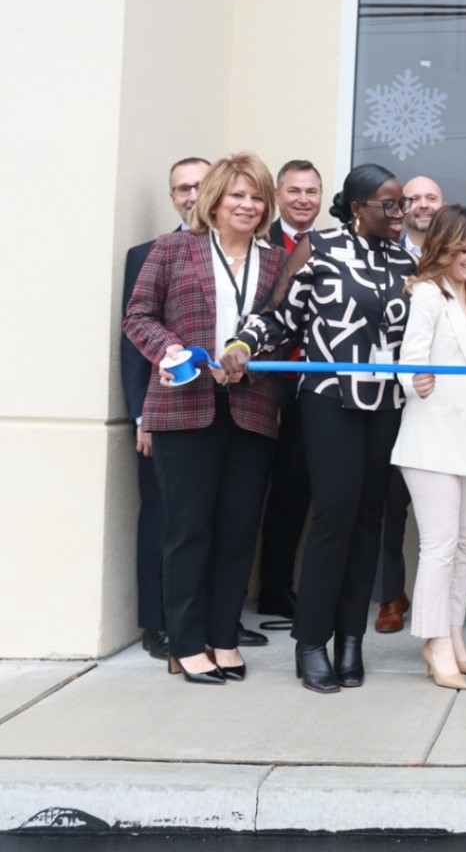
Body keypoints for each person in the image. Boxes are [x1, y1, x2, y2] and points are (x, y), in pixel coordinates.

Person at [222, 163, 417, 694]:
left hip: (386, 403)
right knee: (334, 513)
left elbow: (420, 334)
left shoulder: (407, 259)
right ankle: (311, 642)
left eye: (401, 204)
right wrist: (242, 345)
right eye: (389, 204)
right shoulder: (321, 248)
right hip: (330, 399)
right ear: (357, 208)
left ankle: (350, 639)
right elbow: (279, 315)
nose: (400, 213)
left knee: (368, 521)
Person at [123, 153, 285, 684]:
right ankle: (185, 643)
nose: (248, 204)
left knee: (238, 532)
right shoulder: (173, 248)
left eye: (257, 196)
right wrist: (175, 352)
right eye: (237, 194)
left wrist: (250, 351)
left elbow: (278, 325)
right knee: (188, 530)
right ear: (214, 200)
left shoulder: (277, 261)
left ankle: (223, 637)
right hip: (183, 409)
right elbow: (139, 316)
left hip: (250, 408)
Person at [390, 205, 466, 690]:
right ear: (445, 246)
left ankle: (452, 635)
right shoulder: (427, 293)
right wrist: (417, 381)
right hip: (433, 439)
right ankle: (433, 643)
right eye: (465, 247)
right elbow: (409, 361)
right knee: (438, 546)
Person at [121, 156, 209, 659]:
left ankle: (202, 620)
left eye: (200, 185)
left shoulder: (237, 252)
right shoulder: (147, 253)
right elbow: (132, 340)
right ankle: (156, 623)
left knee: (205, 520)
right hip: (159, 413)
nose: (191, 195)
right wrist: (141, 415)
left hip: (215, 413)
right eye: (182, 188)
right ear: (172, 197)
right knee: (162, 518)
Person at [376, 173, 445, 633]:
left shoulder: (457, 258)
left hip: (444, 397)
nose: (421, 204)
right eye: (412, 198)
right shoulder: (384, 255)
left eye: (430, 198)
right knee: (390, 502)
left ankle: (435, 601)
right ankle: (390, 596)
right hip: (390, 395)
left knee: (444, 509)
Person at [256, 159, 323, 621]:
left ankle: (277, 590)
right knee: (248, 493)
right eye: (295, 191)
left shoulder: (329, 246)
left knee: (294, 494)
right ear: (278, 196)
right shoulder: (259, 245)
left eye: (312, 191)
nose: (303, 199)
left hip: (309, 390)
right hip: (261, 386)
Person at [400, 175, 445, 259]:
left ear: (444, 207)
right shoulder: (385, 258)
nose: (423, 205)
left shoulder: (460, 255)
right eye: (414, 199)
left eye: (431, 198)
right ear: (402, 208)